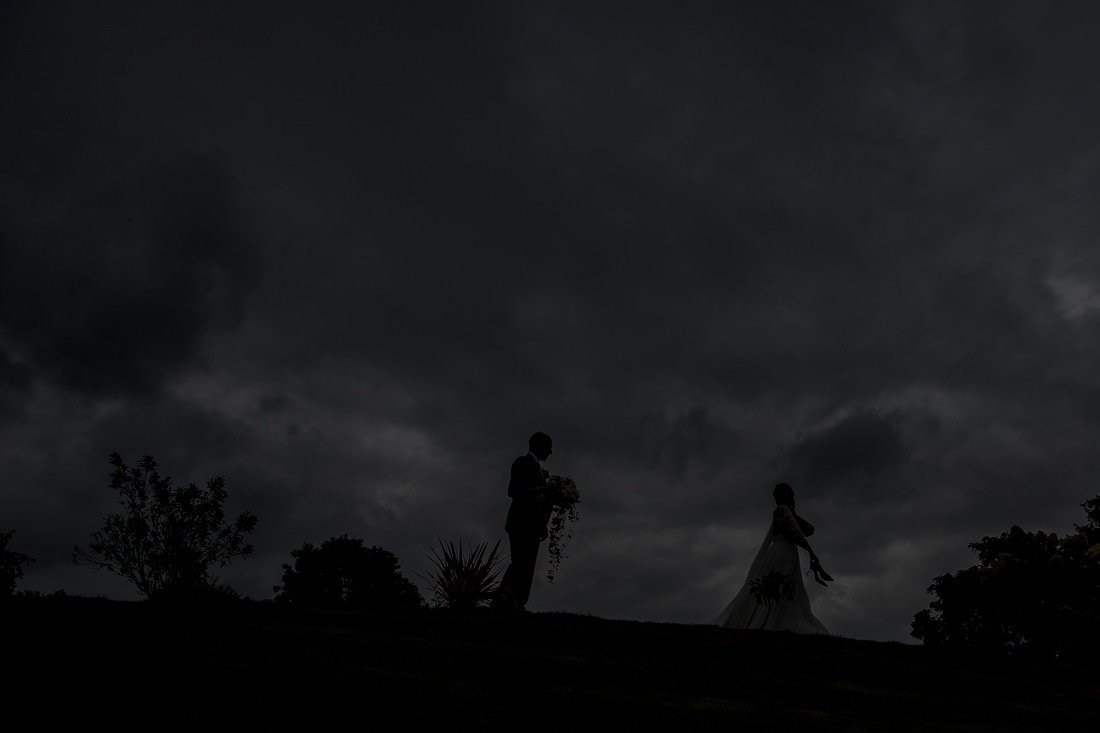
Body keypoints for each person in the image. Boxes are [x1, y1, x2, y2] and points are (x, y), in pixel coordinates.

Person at [711, 482, 831, 633]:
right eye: (784, 492)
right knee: (779, 584)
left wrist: (794, 514)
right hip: (782, 552)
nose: (787, 495)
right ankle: (770, 619)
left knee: (786, 586)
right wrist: (810, 551)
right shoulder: (781, 511)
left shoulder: (787, 512)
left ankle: (778, 619)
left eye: (789, 492)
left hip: (788, 551)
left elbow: (809, 530)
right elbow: (795, 533)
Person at [494, 432, 554, 612]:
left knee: (526, 565)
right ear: (538, 445)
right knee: (521, 564)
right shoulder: (522, 463)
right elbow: (513, 490)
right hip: (521, 524)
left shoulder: (537, 469)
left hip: (532, 526)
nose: (551, 452)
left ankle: (513, 601)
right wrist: (540, 492)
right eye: (548, 447)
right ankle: (506, 599)